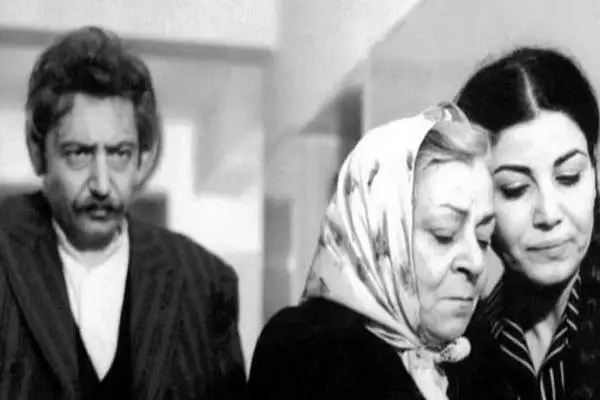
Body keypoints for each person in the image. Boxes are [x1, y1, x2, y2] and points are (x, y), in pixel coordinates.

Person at [0, 26, 246, 399]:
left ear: (142, 159)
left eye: (119, 154)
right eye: (79, 153)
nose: (101, 184)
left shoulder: (205, 284)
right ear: (38, 153)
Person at [248, 103, 495, 400]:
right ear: (381, 236)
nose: (476, 262)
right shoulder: (306, 352)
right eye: (444, 234)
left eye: (483, 238)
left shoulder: (482, 359)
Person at [450, 47, 600, 400]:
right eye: (515, 189)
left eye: (568, 177)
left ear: (596, 173)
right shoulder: (457, 349)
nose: (549, 214)